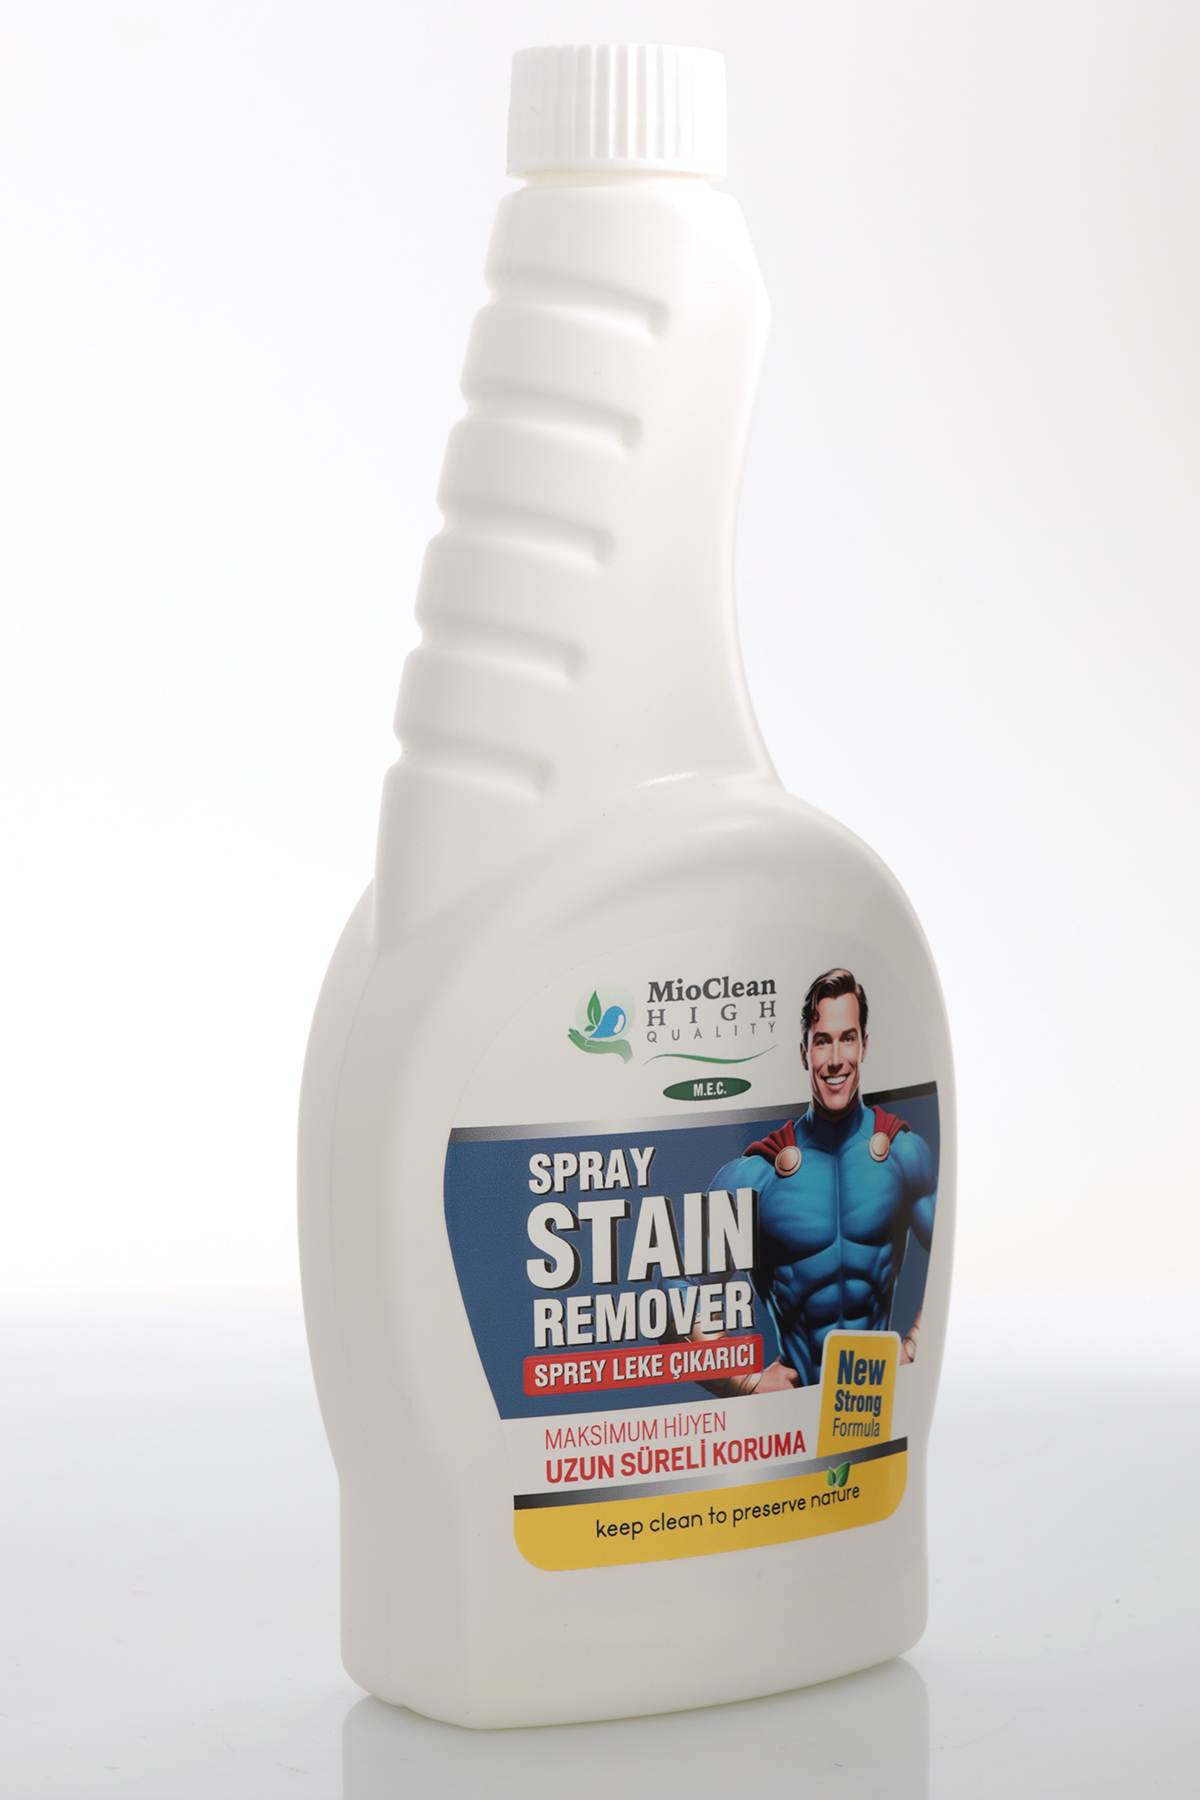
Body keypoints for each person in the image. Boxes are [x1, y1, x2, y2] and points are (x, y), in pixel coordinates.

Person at [693, 967, 936, 1394]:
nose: (836, 1058)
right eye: (822, 1041)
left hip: (875, 1400)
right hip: (795, 1405)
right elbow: (675, 1293)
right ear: (804, 1053)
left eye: (847, 1038)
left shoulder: (904, 1154)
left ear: (864, 1045)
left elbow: (956, 1257)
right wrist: (744, 1381)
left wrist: (914, 1346)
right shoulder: (756, 1175)